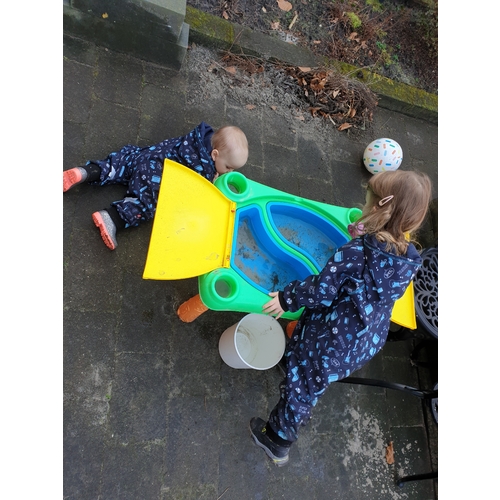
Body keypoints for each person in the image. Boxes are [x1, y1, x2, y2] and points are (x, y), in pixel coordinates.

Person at [251, 169, 432, 467]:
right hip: (363, 341)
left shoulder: (355, 254)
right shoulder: (408, 260)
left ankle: (277, 439)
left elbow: (320, 290)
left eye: (368, 200)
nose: (363, 204)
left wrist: (287, 298)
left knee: (302, 390)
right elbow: (376, 282)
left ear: (380, 207)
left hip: (331, 341)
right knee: (310, 375)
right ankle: (293, 364)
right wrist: (365, 234)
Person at [63, 122, 249, 250]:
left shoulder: (197, 139)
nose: (229, 171)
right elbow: (194, 194)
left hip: (148, 156)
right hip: (153, 177)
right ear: (214, 154)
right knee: (147, 204)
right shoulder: (204, 170)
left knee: (120, 164)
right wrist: (211, 182)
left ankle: (86, 171)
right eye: (228, 167)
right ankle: (112, 218)